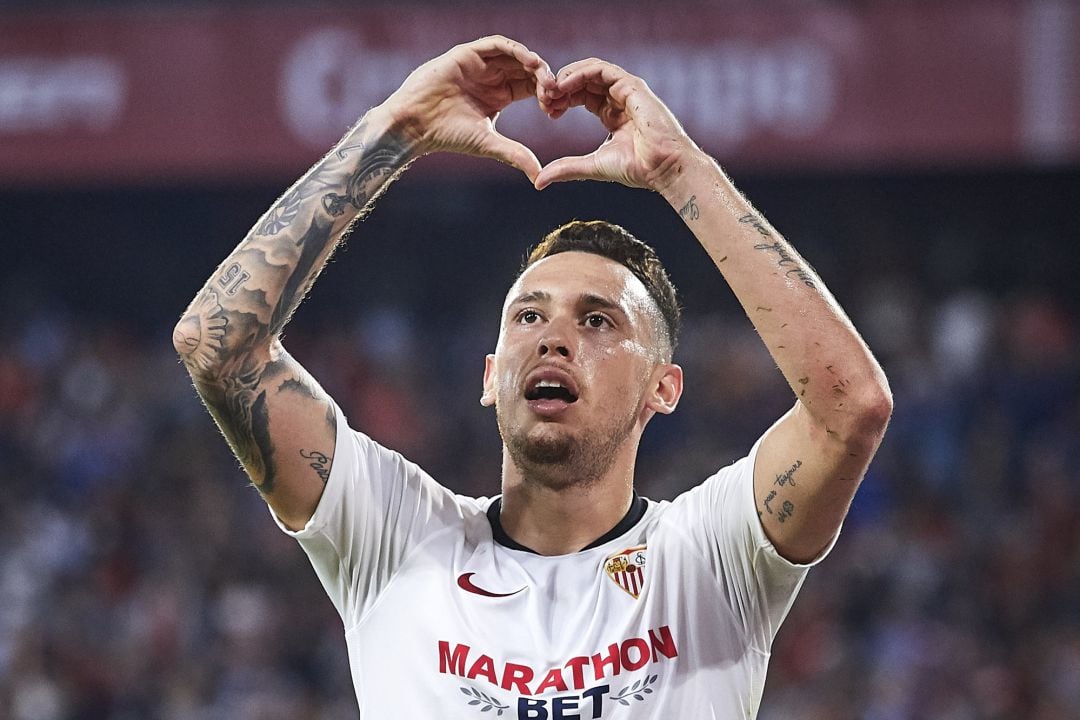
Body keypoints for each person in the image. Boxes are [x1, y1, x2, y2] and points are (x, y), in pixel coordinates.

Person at [174, 36, 891, 718]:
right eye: (527, 317)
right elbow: (218, 346)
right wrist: (396, 128)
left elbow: (849, 406)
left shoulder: (708, 559)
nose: (552, 338)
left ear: (662, 389)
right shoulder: (397, 538)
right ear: (490, 377)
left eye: (598, 321)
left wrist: (681, 169)